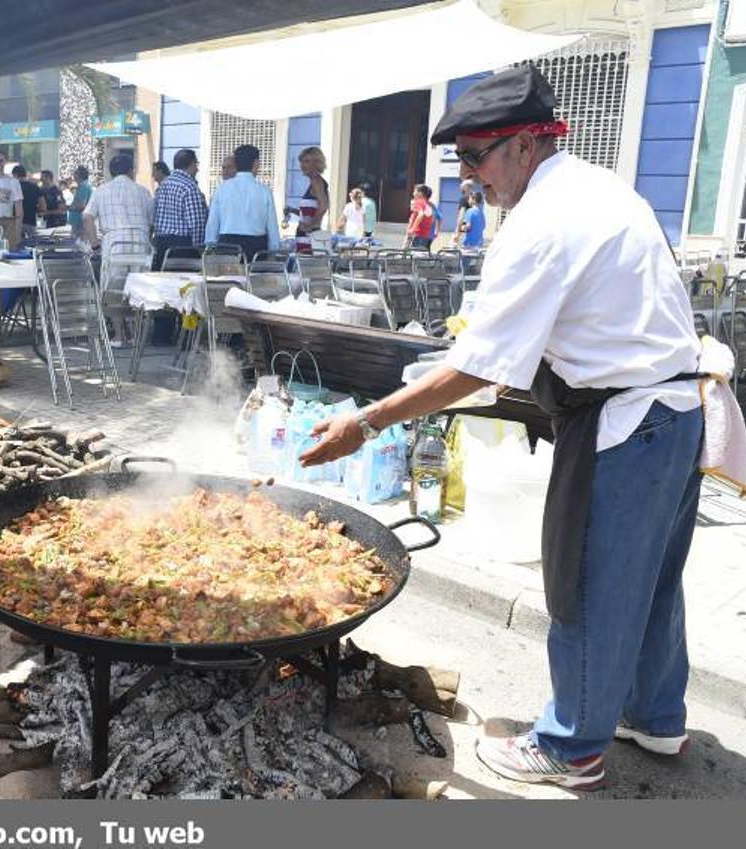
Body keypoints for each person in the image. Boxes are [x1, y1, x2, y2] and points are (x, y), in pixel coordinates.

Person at [300, 65, 720, 790]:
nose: (469, 176)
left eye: (478, 156)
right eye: (459, 159)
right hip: (679, 412)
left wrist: (366, 421)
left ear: (527, 145)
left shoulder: (541, 225)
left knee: (586, 582)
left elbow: (480, 368)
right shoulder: (599, 186)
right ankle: (655, 716)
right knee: (649, 580)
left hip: (624, 419)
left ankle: (570, 744)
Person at [203, 144, 280, 261]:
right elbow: (272, 226)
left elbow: (213, 223)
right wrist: (274, 250)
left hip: (227, 245)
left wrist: (210, 245)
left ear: (236, 164)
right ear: (256, 164)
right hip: (256, 247)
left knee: (229, 279)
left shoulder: (222, 189)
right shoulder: (265, 191)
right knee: (253, 278)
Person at [83, 153, 153, 258]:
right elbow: (151, 221)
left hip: (113, 244)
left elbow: (87, 217)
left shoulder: (101, 191)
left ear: (111, 172)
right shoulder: (144, 191)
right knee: (139, 275)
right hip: (140, 243)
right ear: (131, 170)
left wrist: (95, 245)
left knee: (114, 274)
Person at [152, 148, 208, 269]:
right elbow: (196, 223)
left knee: (165, 283)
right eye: (196, 164)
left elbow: (155, 214)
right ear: (192, 163)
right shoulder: (189, 187)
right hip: (183, 246)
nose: (197, 169)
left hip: (162, 242)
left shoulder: (162, 186)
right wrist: (199, 249)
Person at [292, 146, 330, 252]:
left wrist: (310, 225)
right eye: (302, 162)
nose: (302, 165)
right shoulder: (317, 182)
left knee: (305, 266)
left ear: (316, 163)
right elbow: (313, 210)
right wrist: (293, 211)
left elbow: (323, 206)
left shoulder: (316, 181)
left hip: (308, 236)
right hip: (308, 236)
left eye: (307, 161)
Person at [12, 165, 41, 241]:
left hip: (16, 222)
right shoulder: (35, 187)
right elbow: (43, 206)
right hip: (31, 222)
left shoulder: (14, 187)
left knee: (16, 245)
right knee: (32, 246)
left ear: (15, 175)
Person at [404, 183, 435, 251]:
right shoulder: (427, 204)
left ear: (420, 193)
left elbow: (421, 215)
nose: (413, 193)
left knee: (413, 257)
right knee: (419, 257)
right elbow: (432, 219)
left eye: (415, 191)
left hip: (417, 235)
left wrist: (412, 229)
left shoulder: (418, 202)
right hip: (425, 235)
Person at [67, 166, 92, 238]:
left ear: (80, 175)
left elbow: (81, 206)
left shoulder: (83, 186)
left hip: (80, 223)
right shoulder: (81, 186)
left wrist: (68, 207)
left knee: (79, 247)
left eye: (75, 173)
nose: (73, 175)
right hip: (78, 222)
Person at [453, 178, 475, 245]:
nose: (460, 188)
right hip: (472, 230)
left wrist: (457, 232)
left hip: (464, 229)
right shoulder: (474, 199)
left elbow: (461, 217)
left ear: (467, 187)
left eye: (462, 186)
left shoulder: (464, 199)